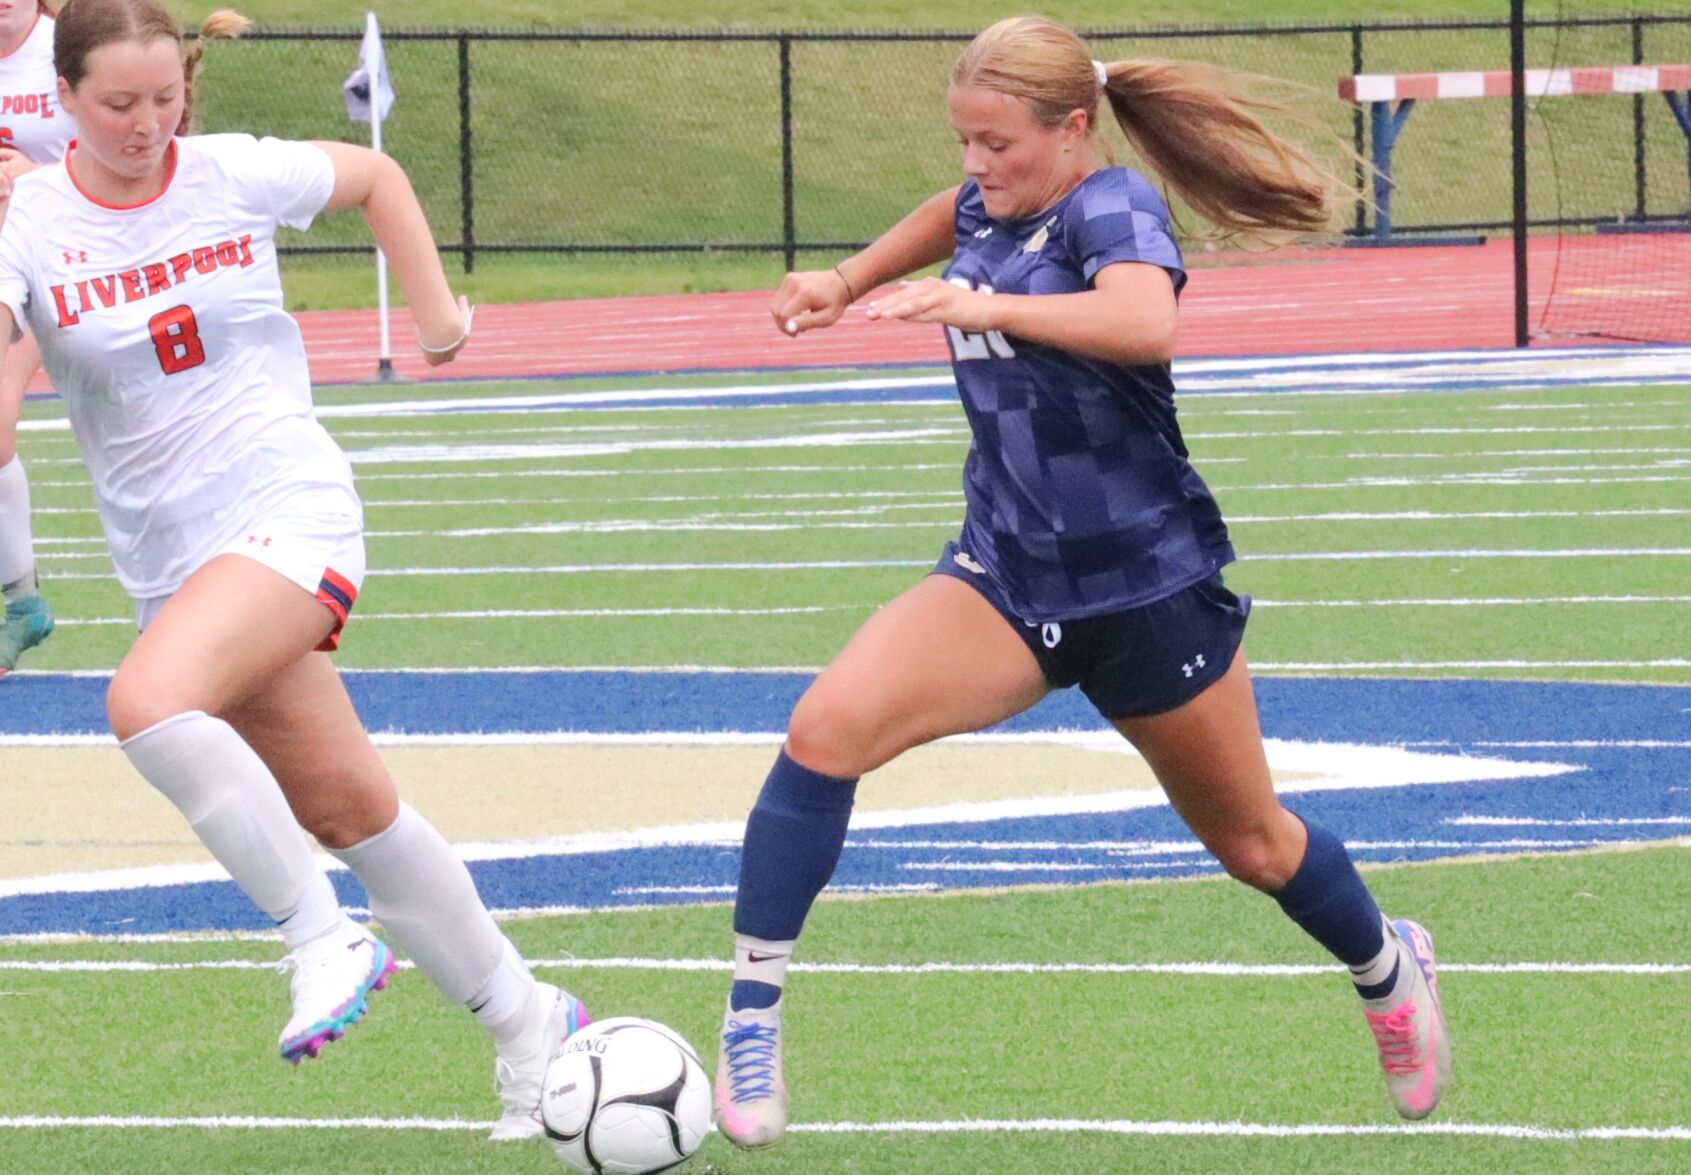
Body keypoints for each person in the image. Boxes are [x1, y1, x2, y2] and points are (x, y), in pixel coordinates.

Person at [713, 15, 1452, 1150]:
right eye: (962, 139)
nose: (973, 165)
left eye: (996, 142)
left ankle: (1385, 965)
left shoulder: (1111, 206)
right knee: (823, 729)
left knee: (1255, 845)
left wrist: (987, 306)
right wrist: (847, 275)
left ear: (1070, 130)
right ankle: (751, 1014)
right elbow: (943, 216)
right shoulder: (988, 197)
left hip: (1146, 587)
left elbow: (1143, 319)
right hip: (1005, 577)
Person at [0, 0, 586, 1140]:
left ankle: (318, 933)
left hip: (286, 504)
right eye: (119, 103)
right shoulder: (27, 224)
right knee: (350, 807)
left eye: (165, 98)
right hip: (172, 562)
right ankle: (531, 1021)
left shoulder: (228, 173)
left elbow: (375, 177)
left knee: (145, 701)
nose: (146, 123)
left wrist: (436, 322)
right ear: (61, 99)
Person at [0, 0, 70, 672]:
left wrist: (38, 178)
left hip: (69, 264)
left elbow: (139, 152)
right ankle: (21, 596)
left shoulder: (70, 50)